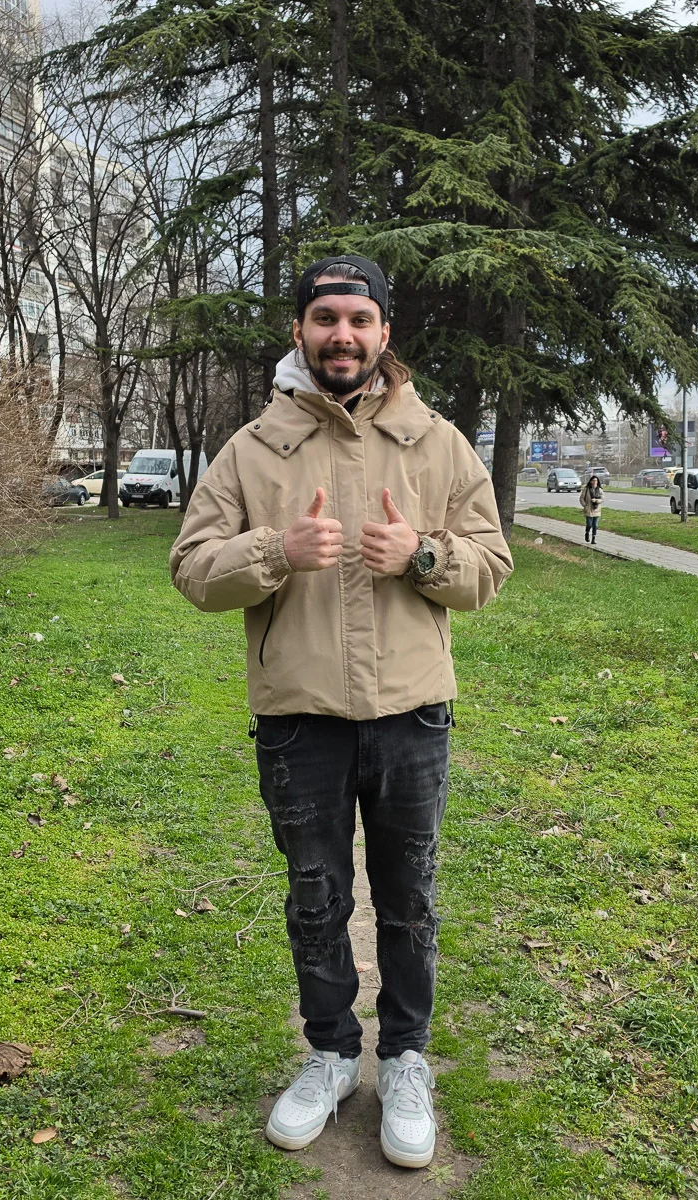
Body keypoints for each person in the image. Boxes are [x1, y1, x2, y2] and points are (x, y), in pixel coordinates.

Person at [170, 255, 513, 1169]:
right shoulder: (252, 450)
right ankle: (329, 1053)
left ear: (384, 332)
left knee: (409, 899)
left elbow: (491, 565)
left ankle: (405, 1060)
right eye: (325, 318)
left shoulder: (437, 441)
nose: (343, 335)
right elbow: (192, 569)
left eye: (360, 319)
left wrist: (423, 556)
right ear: (300, 331)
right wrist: (273, 551)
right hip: (300, 717)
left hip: (412, 714)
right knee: (316, 898)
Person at [580, 473, 604, 542]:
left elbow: (602, 499)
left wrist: (596, 500)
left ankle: (593, 538)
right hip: (588, 509)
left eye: (596, 480)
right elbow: (581, 498)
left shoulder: (599, 490)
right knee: (589, 524)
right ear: (590, 481)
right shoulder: (586, 489)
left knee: (595, 525)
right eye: (593, 480)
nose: (594, 482)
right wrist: (584, 505)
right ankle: (587, 533)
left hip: (596, 509)